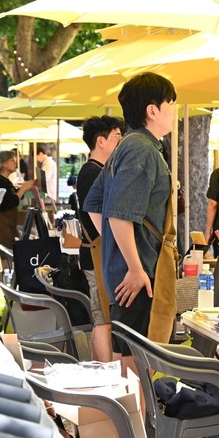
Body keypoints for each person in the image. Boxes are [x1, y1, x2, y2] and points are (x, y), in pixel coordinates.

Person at [83, 72, 176, 374]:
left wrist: (115, 248)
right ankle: (139, 409)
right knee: (137, 365)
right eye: (170, 103)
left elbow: (95, 203)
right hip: (138, 274)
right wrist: (135, 267)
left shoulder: (128, 145)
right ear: (153, 110)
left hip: (126, 271)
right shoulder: (141, 149)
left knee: (128, 360)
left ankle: (134, 407)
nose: (174, 110)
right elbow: (119, 214)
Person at [78, 115, 125, 362]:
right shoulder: (91, 173)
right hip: (97, 252)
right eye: (117, 137)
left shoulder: (98, 170)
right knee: (103, 319)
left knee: (104, 317)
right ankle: (107, 373)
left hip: (98, 252)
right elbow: (96, 216)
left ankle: (101, 369)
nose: (121, 142)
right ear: (101, 141)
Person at [0, 151, 36, 248]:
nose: (16, 163)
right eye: (12, 160)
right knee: (5, 251)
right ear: (4, 164)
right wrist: (23, 188)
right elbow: (10, 202)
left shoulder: (5, 181)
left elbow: (14, 196)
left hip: (9, 223)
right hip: (2, 225)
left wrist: (24, 188)